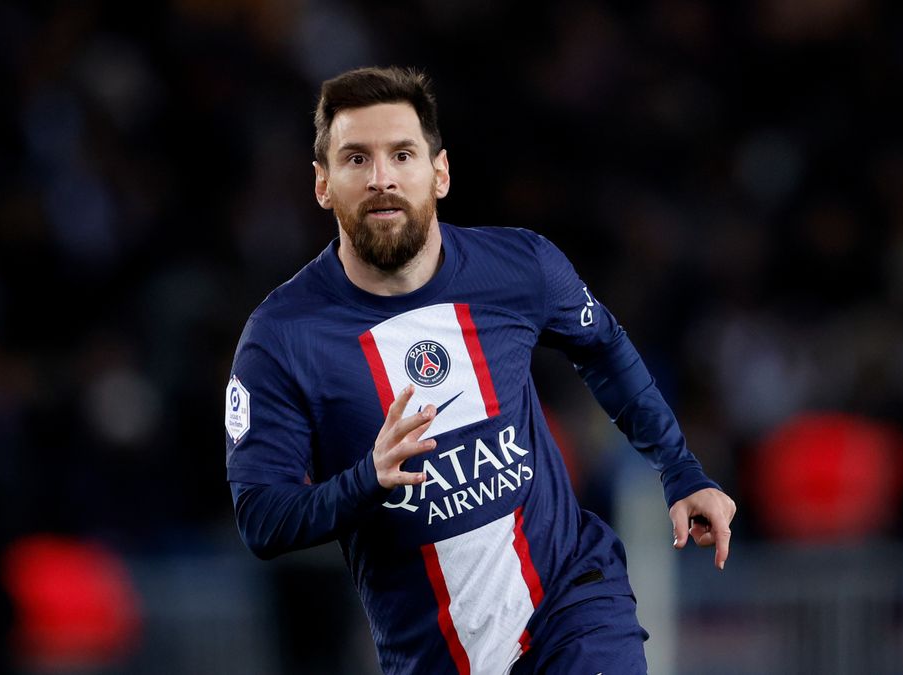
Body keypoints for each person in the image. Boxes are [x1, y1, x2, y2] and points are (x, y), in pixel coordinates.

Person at [225, 66, 736, 675]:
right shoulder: (282, 337)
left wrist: (680, 468)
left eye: (403, 155)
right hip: (434, 655)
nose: (382, 178)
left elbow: (603, 347)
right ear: (322, 184)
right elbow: (261, 517)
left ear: (439, 173)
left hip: (572, 600)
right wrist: (366, 480)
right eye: (356, 159)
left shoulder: (520, 267)